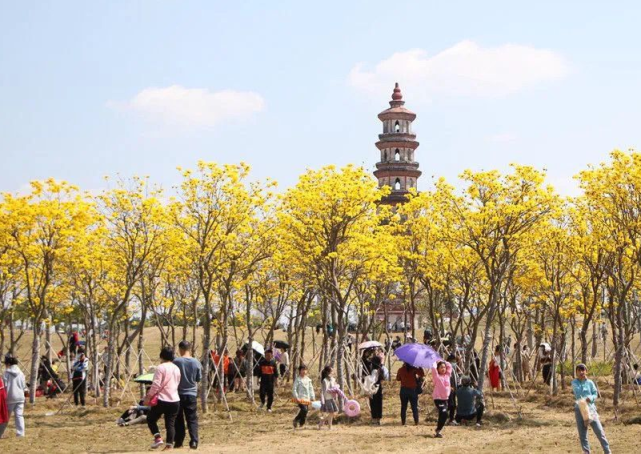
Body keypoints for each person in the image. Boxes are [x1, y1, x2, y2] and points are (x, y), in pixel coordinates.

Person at [144, 346, 181, 450]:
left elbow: (155, 384)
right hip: (175, 399)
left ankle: (158, 438)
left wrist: (148, 397)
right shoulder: (176, 368)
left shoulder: (160, 367)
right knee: (170, 423)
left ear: (161, 356)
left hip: (162, 399)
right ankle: (169, 445)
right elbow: (177, 383)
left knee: (151, 418)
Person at [571, 364, 611, 454]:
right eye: (579, 371)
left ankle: (607, 451)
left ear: (586, 371)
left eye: (583, 370)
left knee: (600, 432)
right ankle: (586, 452)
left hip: (591, 410)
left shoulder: (590, 382)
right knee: (583, 435)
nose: (581, 372)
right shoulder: (574, 382)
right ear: (576, 372)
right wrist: (586, 397)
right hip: (580, 410)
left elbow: (595, 394)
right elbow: (578, 393)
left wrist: (591, 398)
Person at [173, 340, 202, 450]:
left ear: (180, 349)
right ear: (189, 349)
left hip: (178, 394)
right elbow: (198, 379)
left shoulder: (176, 361)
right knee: (192, 418)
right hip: (191, 394)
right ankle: (194, 440)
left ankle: (179, 441)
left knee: (178, 418)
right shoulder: (196, 362)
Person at [0, 354, 26, 438]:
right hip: (20, 397)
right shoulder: (21, 373)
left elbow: (5, 386)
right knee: (19, 416)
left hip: (10, 397)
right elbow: (23, 386)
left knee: (5, 416)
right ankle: (21, 433)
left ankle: (0, 432)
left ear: (8, 363)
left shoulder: (6, 373)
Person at [396, 362, 424, 426]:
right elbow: (422, 374)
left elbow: (398, 379)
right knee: (414, 407)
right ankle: (416, 422)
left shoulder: (401, 369)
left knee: (403, 407)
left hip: (403, 390)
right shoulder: (414, 369)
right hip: (413, 390)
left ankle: (403, 422)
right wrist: (420, 366)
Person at [431, 360, 452, 438]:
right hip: (438, 398)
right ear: (438, 369)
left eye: (444, 367)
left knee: (443, 415)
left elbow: (449, 365)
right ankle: (438, 430)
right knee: (444, 413)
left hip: (445, 399)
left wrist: (442, 361)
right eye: (441, 367)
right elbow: (433, 368)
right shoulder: (436, 376)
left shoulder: (447, 375)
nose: (443, 369)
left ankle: (438, 431)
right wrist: (436, 362)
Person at [292, 364, 315, 429]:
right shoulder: (297, 379)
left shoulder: (308, 380)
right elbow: (294, 389)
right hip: (300, 398)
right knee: (304, 410)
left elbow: (311, 388)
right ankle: (297, 420)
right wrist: (296, 397)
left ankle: (301, 423)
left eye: (305, 370)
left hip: (307, 398)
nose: (304, 371)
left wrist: (312, 396)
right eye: (302, 370)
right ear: (300, 371)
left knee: (306, 411)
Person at [369, 356, 386, 425]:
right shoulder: (381, 369)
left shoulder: (374, 371)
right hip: (379, 387)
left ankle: (374, 419)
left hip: (373, 388)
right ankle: (378, 419)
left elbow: (372, 380)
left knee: (373, 403)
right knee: (379, 403)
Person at [319, 365, 338, 429]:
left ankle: (324, 421)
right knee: (331, 412)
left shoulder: (333, 379)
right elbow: (324, 391)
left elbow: (336, 387)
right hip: (327, 398)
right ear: (328, 372)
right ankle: (329, 426)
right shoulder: (324, 381)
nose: (333, 372)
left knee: (332, 412)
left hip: (332, 398)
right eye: (331, 371)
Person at [446, 353, 460, 425]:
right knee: (451, 405)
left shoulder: (453, 369)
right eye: (453, 361)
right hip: (449, 390)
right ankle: (448, 418)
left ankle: (451, 418)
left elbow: (456, 378)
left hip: (454, 390)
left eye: (454, 361)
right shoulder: (446, 370)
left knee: (453, 405)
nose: (454, 363)